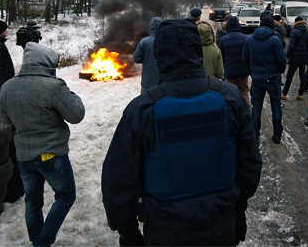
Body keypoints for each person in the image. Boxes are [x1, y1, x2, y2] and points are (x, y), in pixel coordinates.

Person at [102, 19, 262, 246]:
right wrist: (239, 207)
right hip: (220, 224)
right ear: (197, 50)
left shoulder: (143, 109)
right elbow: (250, 161)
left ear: (159, 55)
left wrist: (127, 231)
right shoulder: (229, 98)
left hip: (165, 231)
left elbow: (118, 179)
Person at [0, 42, 85, 246]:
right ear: (46, 64)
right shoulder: (53, 87)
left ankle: (36, 239)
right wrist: (71, 94)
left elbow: (4, 120)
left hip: (24, 157)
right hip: (51, 155)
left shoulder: (7, 87)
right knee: (66, 196)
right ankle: (43, 242)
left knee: (33, 202)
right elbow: (77, 114)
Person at [243, 16, 287, 144]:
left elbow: (244, 58)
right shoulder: (275, 40)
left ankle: (255, 136)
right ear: (271, 26)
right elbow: (281, 60)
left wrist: (252, 72)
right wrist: (279, 71)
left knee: (256, 107)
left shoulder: (250, 40)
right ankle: (277, 135)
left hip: (257, 79)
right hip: (273, 78)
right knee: (276, 106)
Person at [218, 15, 251, 108]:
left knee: (231, 95)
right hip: (243, 72)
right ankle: (246, 112)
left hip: (230, 72)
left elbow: (221, 56)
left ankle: (233, 113)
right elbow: (248, 56)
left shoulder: (223, 40)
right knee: (244, 93)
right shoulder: (245, 38)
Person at [281, 16, 308, 101]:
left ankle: (284, 93)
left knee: (290, 76)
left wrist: (288, 55)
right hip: (303, 57)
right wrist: (306, 51)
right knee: (302, 76)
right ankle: (300, 94)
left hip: (294, 57)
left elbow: (291, 46)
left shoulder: (294, 32)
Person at [133, 16, 162, 94]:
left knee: (146, 104)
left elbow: (137, 58)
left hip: (148, 82)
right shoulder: (168, 41)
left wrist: (147, 58)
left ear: (151, 27)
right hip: (164, 82)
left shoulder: (144, 41)